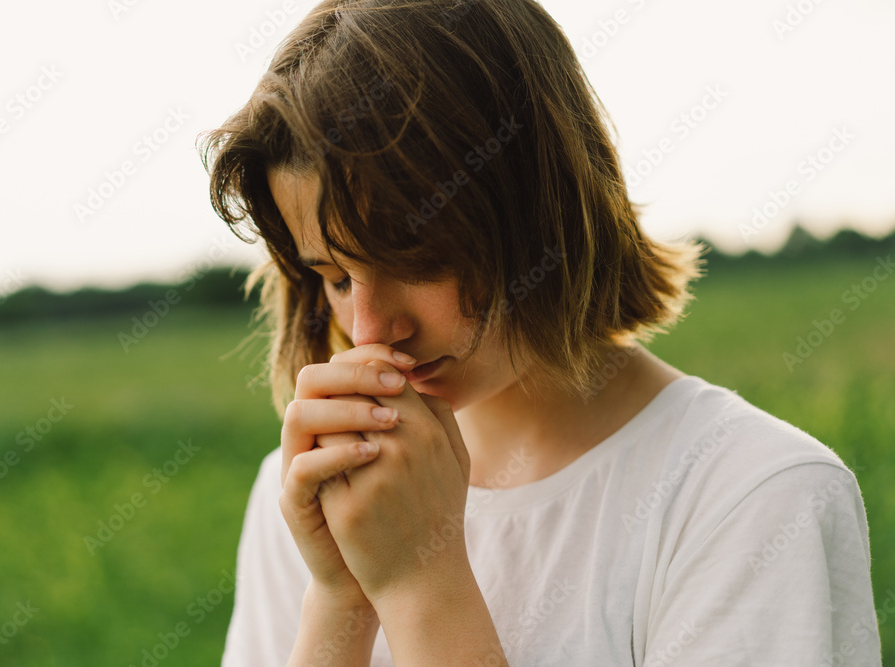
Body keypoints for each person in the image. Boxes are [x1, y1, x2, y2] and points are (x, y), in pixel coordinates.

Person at [200, 0, 881, 664]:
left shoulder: (752, 496)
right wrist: (342, 600)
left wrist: (418, 583)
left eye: (419, 259)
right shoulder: (308, 491)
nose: (373, 329)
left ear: (540, 208)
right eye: (336, 277)